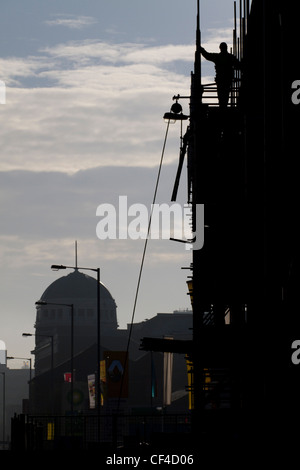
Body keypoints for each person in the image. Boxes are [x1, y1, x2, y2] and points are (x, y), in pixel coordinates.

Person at [200, 42, 239, 108]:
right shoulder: (230, 57)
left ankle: (222, 108)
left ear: (220, 48)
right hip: (226, 80)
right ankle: (223, 107)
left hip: (221, 80)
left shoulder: (218, 57)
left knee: (221, 97)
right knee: (225, 97)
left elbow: (207, 55)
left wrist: (201, 49)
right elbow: (238, 65)